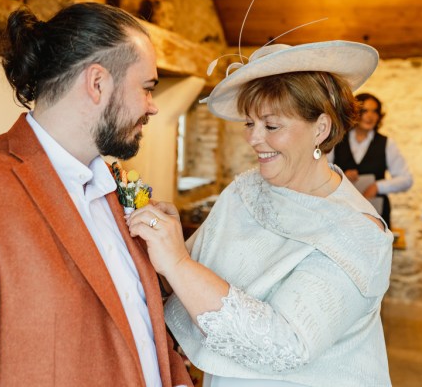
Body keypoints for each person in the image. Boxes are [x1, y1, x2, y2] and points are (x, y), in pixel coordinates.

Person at [0, 3, 192, 387]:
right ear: (97, 83)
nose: (153, 106)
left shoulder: (115, 190)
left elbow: (138, 327)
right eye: (147, 87)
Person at [127, 40, 394, 386]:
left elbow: (285, 345)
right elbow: (188, 276)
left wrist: (178, 262)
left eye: (271, 126)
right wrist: (171, 241)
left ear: (321, 129)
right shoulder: (245, 190)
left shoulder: (359, 234)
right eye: (249, 124)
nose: (253, 138)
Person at [328, 92, 413, 229]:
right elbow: (323, 172)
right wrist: (340, 176)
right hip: (343, 214)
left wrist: (378, 186)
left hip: (376, 215)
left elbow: (406, 179)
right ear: (354, 112)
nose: (370, 116)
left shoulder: (387, 144)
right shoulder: (337, 141)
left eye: (375, 111)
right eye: (365, 111)